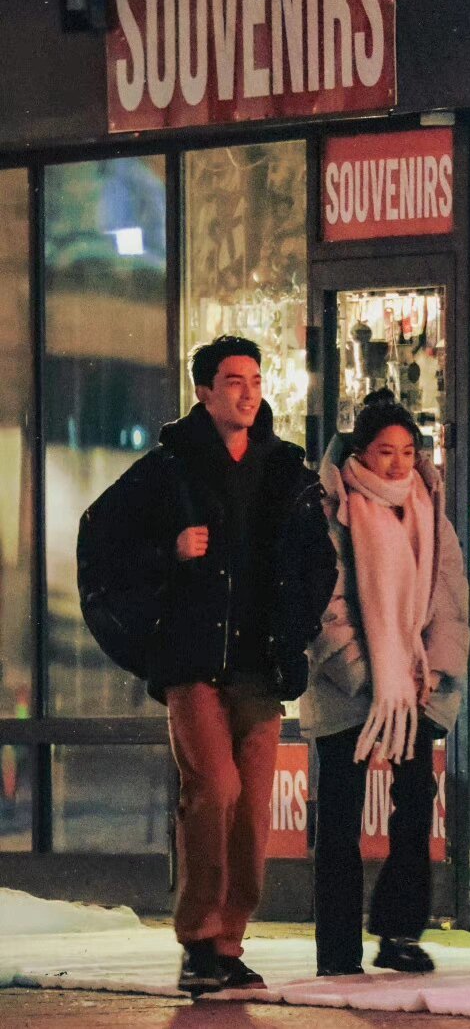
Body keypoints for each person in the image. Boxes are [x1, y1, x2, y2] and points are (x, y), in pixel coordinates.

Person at [88, 335, 335, 994]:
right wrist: (168, 550)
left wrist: (298, 629)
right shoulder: (168, 469)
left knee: (252, 812)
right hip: (192, 661)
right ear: (203, 391)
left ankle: (228, 941)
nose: (247, 392)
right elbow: (103, 540)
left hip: (261, 666)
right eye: (232, 381)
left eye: (255, 380)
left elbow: (319, 561)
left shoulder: (284, 469)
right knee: (215, 788)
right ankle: (197, 938)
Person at [301, 392, 470, 977]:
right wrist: (366, 676)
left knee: (416, 803)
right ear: (360, 454)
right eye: (384, 451)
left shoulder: (428, 507)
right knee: (340, 816)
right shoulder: (332, 508)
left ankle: (399, 932)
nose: (398, 464)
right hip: (344, 686)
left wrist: (434, 670)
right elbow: (326, 603)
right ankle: (338, 949)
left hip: (414, 685)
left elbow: (448, 598)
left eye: (407, 451)